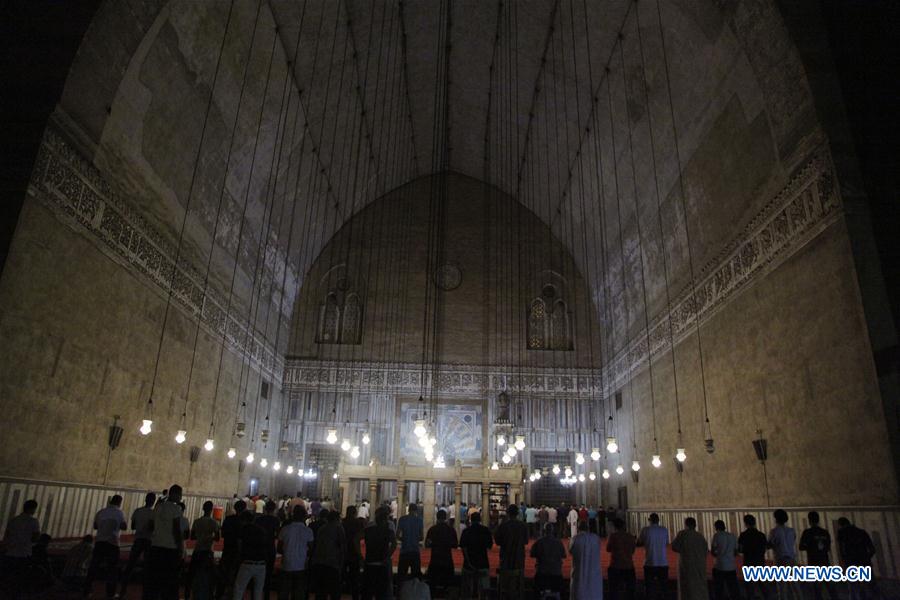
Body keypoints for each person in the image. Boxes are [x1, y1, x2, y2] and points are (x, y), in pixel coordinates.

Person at [144, 483, 186, 600]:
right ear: (175, 494)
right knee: (170, 582)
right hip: (170, 549)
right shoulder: (176, 508)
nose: (180, 498)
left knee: (154, 581)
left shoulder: (158, 507)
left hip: (155, 547)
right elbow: (176, 529)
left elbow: (150, 526)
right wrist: (180, 547)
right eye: (180, 495)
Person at [83, 494, 127, 599]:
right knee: (112, 570)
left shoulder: (101, 512)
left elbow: (95, 526)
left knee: (93, 567)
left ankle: (87, 590)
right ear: (120, 502)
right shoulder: (119, 513)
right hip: (112, 543)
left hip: (100, 542)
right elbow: (124, 526)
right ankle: (110, 593)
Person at [119, 492, 155, 596]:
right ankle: (146, 592)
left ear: (145, 499)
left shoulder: (137, 511)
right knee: (147, 566)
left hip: (138, 539)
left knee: (131, 564)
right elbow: (152, 528)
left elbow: (133, 526)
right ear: (153, 501)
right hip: (148, 540)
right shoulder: (153, 513)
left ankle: (123, 589)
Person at [2, 498, 41, 590]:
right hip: (24, 552)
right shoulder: (33, 521)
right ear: (32, 509)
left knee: (10, 575)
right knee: (20, 576)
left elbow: (7, 536)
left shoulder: (13, 520)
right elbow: (35, 537)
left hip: (11, 552)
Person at [186, 500, 220, 600]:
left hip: (198, 550)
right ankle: (210, 595)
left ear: (203, 509)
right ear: (211, 510)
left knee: (191, 574)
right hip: (208, 551)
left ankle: (187, 594)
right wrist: (209, 538)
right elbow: (217, 538)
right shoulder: (214, 522)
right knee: (211, 575)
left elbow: (192, 537)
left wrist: (201, 536)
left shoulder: (197, 521)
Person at [279, 506, 314, 600]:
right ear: (304, 517)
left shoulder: (285, 529)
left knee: (284, 592)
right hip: (301, 564)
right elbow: (311, 549)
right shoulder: (308, 531)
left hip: (286, 564)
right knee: (298, 593)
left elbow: (279, 548)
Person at [836, 517, 876, 600]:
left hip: (851, 564)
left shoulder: (842, 533)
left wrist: (843, 563)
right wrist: (866, 558)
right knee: (870, 588)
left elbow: (841, 550)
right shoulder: (862, 532)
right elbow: (872, 549)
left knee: (854, 588)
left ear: (840, 525)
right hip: (865, 563)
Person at [494, 504, 528, 599]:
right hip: (519, 559)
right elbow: (526, 541)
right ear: (517, 514)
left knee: (504, 583)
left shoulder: (502, 526)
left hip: (505, 559)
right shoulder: (523, 526)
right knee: (519, 582)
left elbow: (497, 541)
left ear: (508, 513)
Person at [311, 508, 346, 600]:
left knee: (321, 591)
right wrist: (341, 564)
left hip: (320, 562)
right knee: (334, 592)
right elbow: (342, 546)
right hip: (332, 563)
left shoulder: (322, 528)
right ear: (337, 519)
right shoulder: (339, 528)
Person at [232, 510, 267, 600]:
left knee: (239, 589)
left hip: (247, 562)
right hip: (261, 564)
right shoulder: (261, 530)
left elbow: (239, 545)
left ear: (243, 520)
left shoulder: (243, 529)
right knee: (258, 591)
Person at [364, 506, 397, 600]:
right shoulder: (388, 528)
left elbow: (357, 538)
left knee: (368, 591)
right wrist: (388, 556)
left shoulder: (369, 527)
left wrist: (360, 557)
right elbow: (394, 543)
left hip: (369, 562)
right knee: (382, 590)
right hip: (382, 562)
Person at [671, 517, 708, 600]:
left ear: (686, 525)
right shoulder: (700, 536)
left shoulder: (683, 534)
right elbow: (705, 551)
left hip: (687, 565)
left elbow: (674, 547)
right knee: (699, 587)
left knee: (687, 588)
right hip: (699, 566)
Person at [799, 511, 833, 600]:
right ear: (818, 520)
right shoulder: (825, 532)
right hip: (825, 561)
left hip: (813, 562)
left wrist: (810, 546)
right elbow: (828, 547)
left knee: (816, 588)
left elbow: (801, 547)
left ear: (809, 521)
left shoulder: (807, 532)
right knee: (830, 586)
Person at [768, 509, 801, 600]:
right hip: (791, 559)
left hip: (780, 560)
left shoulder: (774, 531)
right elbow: (793, 541)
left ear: (776, 519)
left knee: (782, 587)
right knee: (795, 585)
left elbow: (770, 544)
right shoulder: (791, 530)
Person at [460, 512, 493, 599]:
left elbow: (463, 548)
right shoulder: (485, 530)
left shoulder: (466, 531)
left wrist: (468, 561)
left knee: (467, 590)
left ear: (471, 519)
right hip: (483, 563)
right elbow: (489, 546)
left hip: (469, 565)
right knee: (484, 589)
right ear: (480, 519)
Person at [218, 499, 247, 599]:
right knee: (235, 575)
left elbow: (223, 533)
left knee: (224, 573)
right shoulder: (243, 522)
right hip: (237, 551)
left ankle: (219, 593)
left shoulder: (228, 519)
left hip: (227, 548)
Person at [637, 512, 669, 600]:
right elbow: (666, 543)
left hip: (650, 562)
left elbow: (639, 543)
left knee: (649, 587)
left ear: (649, 520)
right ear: (658, 520)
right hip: (663, 562)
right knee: (663, 586)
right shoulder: (664, 529)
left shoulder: (645, 530)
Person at [530, 522, 566, 599]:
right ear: (553, 531)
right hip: (556, 574)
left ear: (544, 531)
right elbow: (564, 555)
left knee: (535, 589)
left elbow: (532, 554)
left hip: (542, 573)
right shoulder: (559, 542)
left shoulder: (539, 542)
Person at [738, 514, 769, 600]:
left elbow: (740, 549)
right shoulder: (761, 535)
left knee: (749, 585)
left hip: (748, 562)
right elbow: (765, 547)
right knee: (762, 584)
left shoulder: (743, 535)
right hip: (760, 561)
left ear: (746, 523)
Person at [425, 509, 458, 590]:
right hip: (447, 560)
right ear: (446, 517)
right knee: (447, 586)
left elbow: (427, 544)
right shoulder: (451, 529)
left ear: (437, 517)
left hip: (435, 560)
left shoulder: (432, 529)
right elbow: (455, 545)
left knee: (433, 585)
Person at [570, 521, 602, 600]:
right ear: (588, 528)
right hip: (594, 572)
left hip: (579, 571)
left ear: (578, 528)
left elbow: (571, 551)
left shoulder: (575, 539)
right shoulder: (595, 538)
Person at [256, 500, 281, 598]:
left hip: (260, 547)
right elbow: (277, 534)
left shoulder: (259, 519)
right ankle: (266, 594)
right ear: (274, 509)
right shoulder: (276, 520)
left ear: (265, 508)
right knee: (269, 571)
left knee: (258, 572)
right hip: (270, 547)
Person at [607, 517, 636, 600]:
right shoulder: (630, 536)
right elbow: (633, 550)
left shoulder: (613, 536)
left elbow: (608, 549)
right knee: (630, 591)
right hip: (629, 566)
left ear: (615, 527)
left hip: (615, 565)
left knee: (614, 590)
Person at [710, 519, 739, 600]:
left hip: (719, 565)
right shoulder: (732, 536)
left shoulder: (717, 536)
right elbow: (736, 552)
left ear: (716, 527)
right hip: (731, 566)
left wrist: (718, 555)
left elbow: (713, 551)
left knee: (719, 588)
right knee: (733, 588)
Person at [397, 503, 425, 583]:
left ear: (408, 509)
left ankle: (400, 593)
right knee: (415, 578)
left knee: (401, 577)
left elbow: (397, 535)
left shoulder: (402, 519)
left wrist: (404, 539)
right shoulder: (419, 520)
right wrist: (415, 539)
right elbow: (422, 537)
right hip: (415, 551)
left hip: (404, 551)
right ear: (416, 510)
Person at [343, 505, 366, 600]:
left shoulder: (342, 522)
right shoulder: (358, 523)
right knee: (355, 578)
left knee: (342, 576)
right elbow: (361, 537)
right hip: (354, 552)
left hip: (343, 552)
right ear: (355, 513)